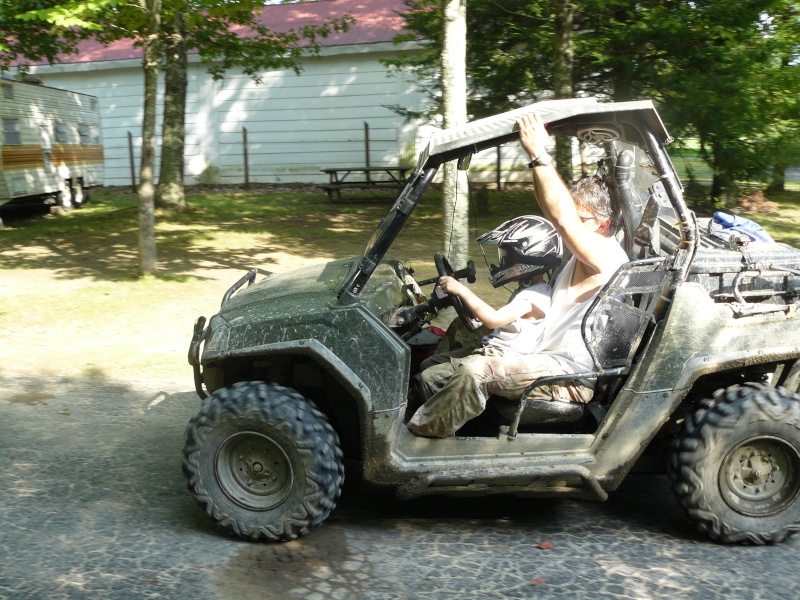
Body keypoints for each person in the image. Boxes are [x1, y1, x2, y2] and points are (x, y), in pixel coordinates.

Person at [406, 113, 628, 438]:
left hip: (567, 376)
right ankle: (454, 433)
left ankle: (419, 443)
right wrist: (537, 169)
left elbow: (564, 220)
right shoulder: (581, 252)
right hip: (541, 359)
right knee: (433, 372)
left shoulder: (605, 255)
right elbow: (556, 211)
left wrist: (538, 154)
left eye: (579, 218)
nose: (565, 226)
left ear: (604, 224)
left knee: (476, 371)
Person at [406, 216, 563, 437]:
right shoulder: (529, 291)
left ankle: (448, 432)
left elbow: (493, 319)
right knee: (429, 363)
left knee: (429, 377)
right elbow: (501, 321)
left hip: (500, 358)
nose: (502, 262)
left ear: (529, 257)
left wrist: (461, 291)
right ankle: (425, 411)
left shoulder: (536, 296)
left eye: (507, 257)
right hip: (489, 349)